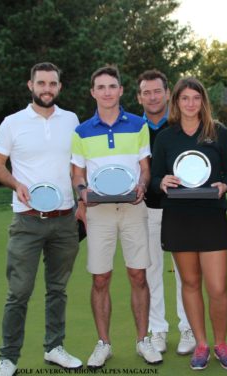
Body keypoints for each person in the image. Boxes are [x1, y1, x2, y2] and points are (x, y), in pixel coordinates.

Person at [0, 62, 82, 376]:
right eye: (41, 83)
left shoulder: (71, 120)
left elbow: (77, 167)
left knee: (58, 289)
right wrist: (17, 184)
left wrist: (81, 201)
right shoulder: (12, 123)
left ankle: (54, 347)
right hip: (27, 221)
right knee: (19, 292)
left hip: (64, 219)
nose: (47, 89)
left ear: (59, 87)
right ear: (30, 85)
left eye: (52, 84)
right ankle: (8, 358)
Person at [71, 66, 162, 369]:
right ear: (93, 92)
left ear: (121, 91)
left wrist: (142, 185)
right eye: (101, 87)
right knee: (101, 278)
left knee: (138, 275)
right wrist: (82, 191)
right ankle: (103, 343)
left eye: (112, 86)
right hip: (99, 212)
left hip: (133, 208)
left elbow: (145, 168)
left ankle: (142, 340)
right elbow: (77, 173)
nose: (107, 92)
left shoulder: (138, 125)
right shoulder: (81, 131)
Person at [150, 77, 227, 370]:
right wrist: (161, 180)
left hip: (211, 216)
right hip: (178, 217)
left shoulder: (218, 131)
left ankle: (221, 343)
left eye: (196, 98)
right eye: (184, 98)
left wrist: (224, 186)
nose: (190, 104)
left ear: (203, 101)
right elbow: (153, 177)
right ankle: (201, 344)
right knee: (190, 283)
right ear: (176, 102)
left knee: (217, 287)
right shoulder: (165, 136)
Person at [136, 70, 196, 355]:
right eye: (146, 92)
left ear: (167, 93)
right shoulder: (134, 129)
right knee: (152, 271)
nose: (152, 97)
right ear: (139, 97)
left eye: (157, 91)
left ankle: (187, 327)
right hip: (147, 210)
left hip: (181, 209)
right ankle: (157, 329)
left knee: (185, 273)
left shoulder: (180, 124)